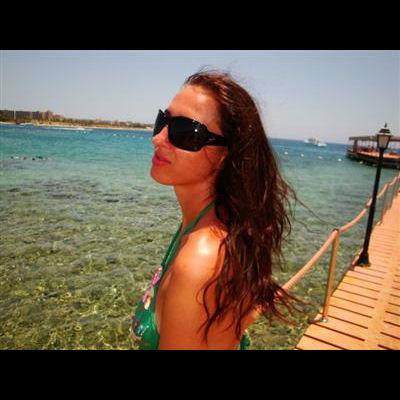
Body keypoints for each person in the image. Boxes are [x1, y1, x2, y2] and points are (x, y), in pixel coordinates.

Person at [130, 69, 299, 350]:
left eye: (184, 132)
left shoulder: (200, 260)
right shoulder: (210, 225)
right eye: (163, 121)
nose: (158, 138)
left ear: (225, 154)